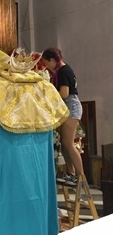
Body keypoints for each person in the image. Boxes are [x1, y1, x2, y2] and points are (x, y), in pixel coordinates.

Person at [42, 47, 84, 185]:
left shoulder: (63, 71)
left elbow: (64, 94)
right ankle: (70, 174)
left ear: (52, 60)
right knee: (65, 144)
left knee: (69, 143)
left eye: (47, 64)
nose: (47, 67)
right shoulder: (62, 70)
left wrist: (49, 94)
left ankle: (80, 176)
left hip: (71, 106)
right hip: (68, 106)